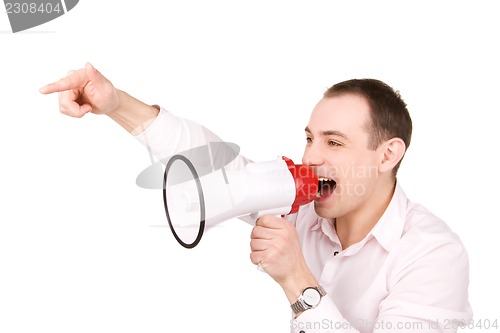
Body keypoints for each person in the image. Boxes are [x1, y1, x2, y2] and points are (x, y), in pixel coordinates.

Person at [40, 63, 472, 332]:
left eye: (334, 143)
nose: (311, 157)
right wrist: (115, 103)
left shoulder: (433, 254)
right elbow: (215, 166)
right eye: (309, 138)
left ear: (388, 154)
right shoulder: (303, 209)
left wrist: (298, 281)